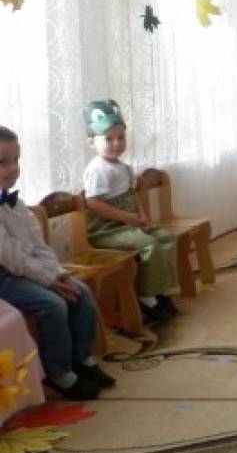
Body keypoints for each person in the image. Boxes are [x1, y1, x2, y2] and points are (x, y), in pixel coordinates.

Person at [0, 126, 116, 401]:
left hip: (27, 270)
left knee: (81, 292)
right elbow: (10, 256)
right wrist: (49, 280)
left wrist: (57, 273)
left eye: (16, 159)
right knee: (52, 304)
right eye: (2, 162)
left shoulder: (15, 204)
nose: (13, 168)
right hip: (4, 277)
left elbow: (38, 245)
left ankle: (82, 358)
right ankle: (59, 371)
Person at [82, 100, 179, 322]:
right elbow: (93, 203)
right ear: (91, 142)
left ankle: (161, 288)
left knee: (166, 238)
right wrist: (127, 217)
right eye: (108, 139)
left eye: (121, 137)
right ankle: (146, 296)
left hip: (129, 224)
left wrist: (142, 215)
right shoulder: (97, 169)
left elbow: (132, 195)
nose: (117, 143)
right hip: (106, 231)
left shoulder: (124, 167)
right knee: (149, 244)